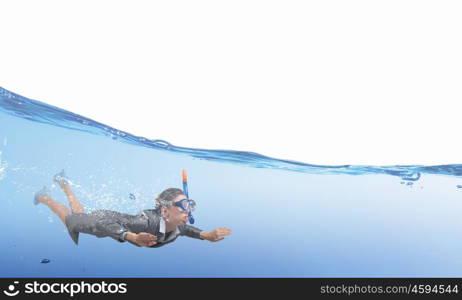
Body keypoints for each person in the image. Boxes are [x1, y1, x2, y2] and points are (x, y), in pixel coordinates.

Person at [34, 170, 232, 247]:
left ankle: (64, 183)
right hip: (105, 222)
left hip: (116, 224)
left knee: (78, 213)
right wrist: (132, 237)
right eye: (183, 206)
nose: (188, 212)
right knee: (71, 220)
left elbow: (186, 229)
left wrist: (206, 234)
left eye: (191, 206)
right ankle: (43, 197)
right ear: (164, 211)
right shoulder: (144, 222)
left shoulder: (177, 225)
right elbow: (104, 222)